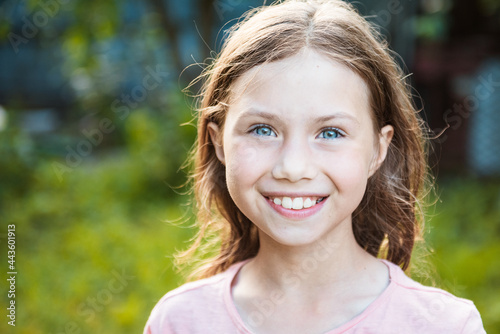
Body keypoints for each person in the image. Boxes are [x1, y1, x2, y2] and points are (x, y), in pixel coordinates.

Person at [144, 0, 486, 333]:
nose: (293, 168)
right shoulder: (179, 322)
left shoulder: (445, 325)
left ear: (378, 149)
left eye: (330, 132)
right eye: (263, 130)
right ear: (219, 142)